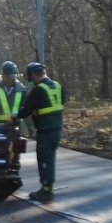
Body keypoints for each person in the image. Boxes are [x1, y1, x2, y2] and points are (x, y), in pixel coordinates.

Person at [12, 62, 66, 202]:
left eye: (30, 79)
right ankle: (48, 188)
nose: (31, 82)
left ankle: (46, 191)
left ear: (33, 76)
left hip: (45, 130)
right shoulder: (58, 86)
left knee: (44, 160)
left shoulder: (38, 90)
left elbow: (26, 110)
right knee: (50, 159)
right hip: (57, 129)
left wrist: (15, 116)